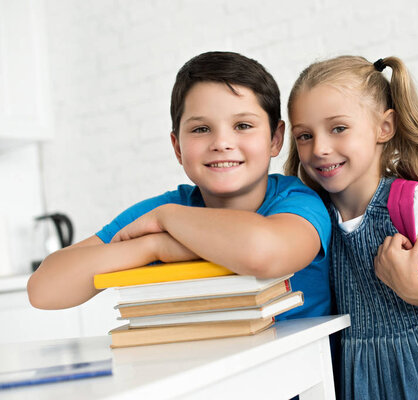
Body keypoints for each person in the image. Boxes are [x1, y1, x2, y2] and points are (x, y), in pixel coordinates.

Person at [28, 51, 331, 322]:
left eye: (243, 126)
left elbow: (262, 252)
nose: (222, 143)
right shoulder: (170, 207)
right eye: (201, 129)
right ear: (177, 147)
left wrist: (166, 223)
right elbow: (44, 289)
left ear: (276, 138)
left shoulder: (297, 202)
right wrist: (152, 246)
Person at [284, 55, 418, 399]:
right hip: (364, 378)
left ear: (384, 127)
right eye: (304, 135)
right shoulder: (314, 220)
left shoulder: (413, 203)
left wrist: (415, 291)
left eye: (338, 128)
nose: (320, 148)